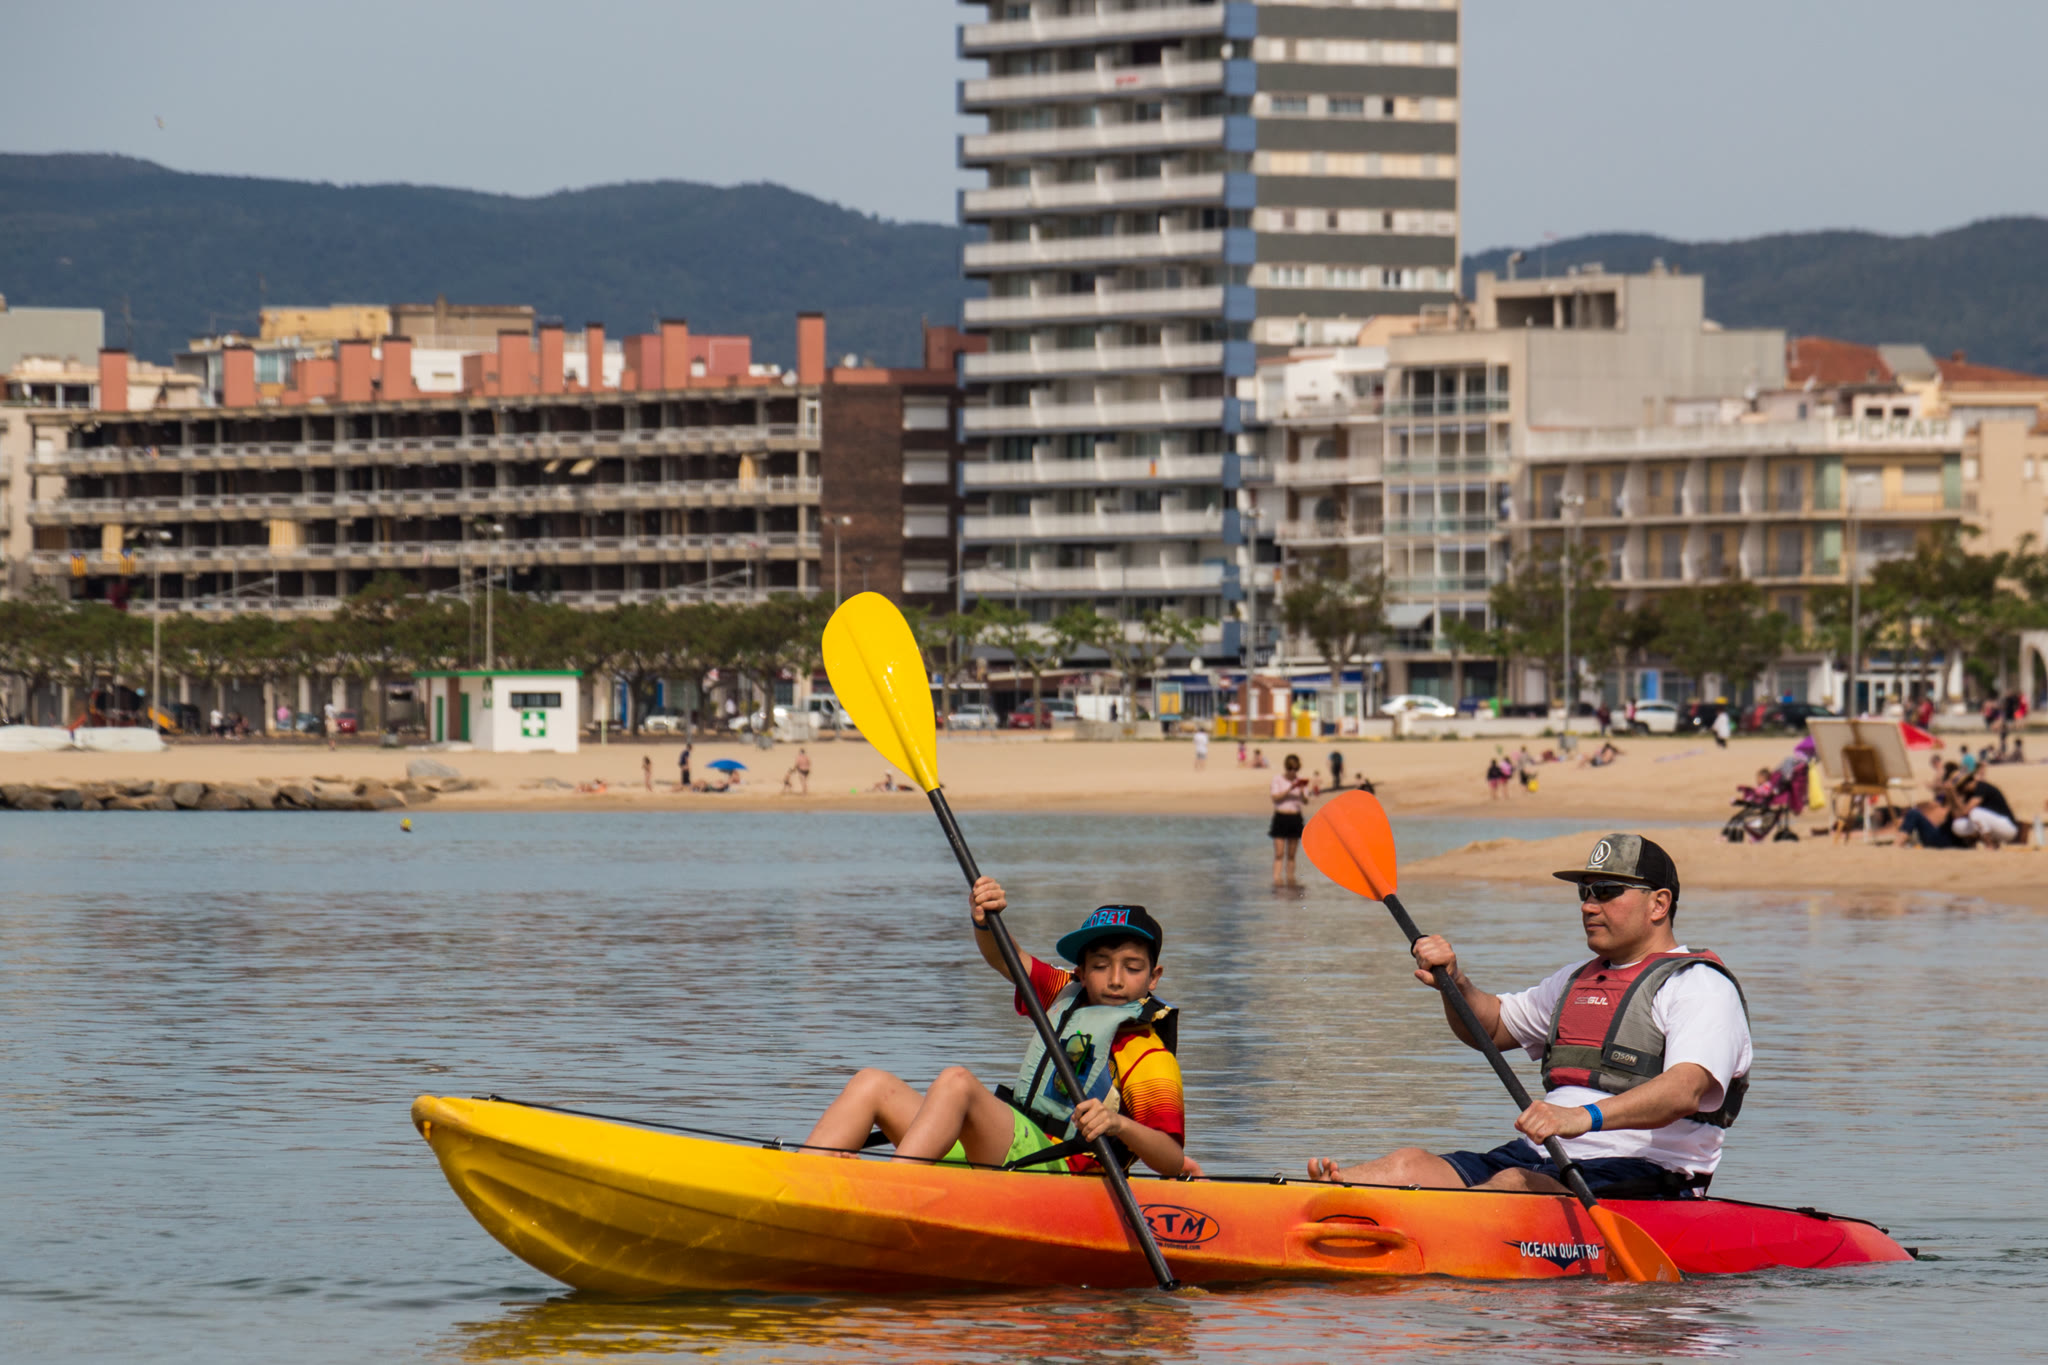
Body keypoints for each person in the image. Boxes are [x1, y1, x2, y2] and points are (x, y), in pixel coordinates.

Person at [1306, 834, 1750, 1201]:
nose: (1588, 906)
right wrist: (1455, 983)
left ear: (1659, 904)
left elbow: (1685, 1090)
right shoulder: (1574, 981)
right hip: (1538, 1160)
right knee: (1407, 1165)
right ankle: (1328, 1202)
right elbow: (1492, 1027)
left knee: (1511, 1186)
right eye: (1585, 893)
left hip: (1649, 1175)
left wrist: (1582, 1118)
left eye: (1606, 892)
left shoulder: (1700, 985)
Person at [805, 880, 1187, 1177]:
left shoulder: (1149, 1055)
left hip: (1061, 1173)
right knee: (872, 1083)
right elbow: (1007, 958)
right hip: (1013, 1148)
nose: (1116, 980)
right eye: (1101, 966)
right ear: (1082, 972)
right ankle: (802, 1178)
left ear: (1153, 977)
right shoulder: (1063, 992)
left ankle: (891, 1188)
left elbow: (1170, 1159)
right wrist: (985, 920)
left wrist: (1118, 1125)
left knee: (957, 1083)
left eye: (1132, 968)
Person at [1269, 753, 1317, 888]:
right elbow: (1275, 798)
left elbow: (1305, 801)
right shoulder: (1278, 779)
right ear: (1286, 768)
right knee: (1279, 853)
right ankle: (1277, 880)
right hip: (1281, 817)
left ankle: (1290, 879)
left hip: (1295, 817)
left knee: (1291, 854)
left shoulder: (1300, 781)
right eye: (1290, 769)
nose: (1292, 772)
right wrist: (1290, 789)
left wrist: (1301, 790)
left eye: (1295, 769)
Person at [1952, 770, 2019, 848]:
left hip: (2007, 827)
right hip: (1992, 828)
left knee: (1975, 813)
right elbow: (1958, 815)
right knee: (1957, 825)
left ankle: (1989, 845)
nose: (1960, 791)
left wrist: (1953, 795)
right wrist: (1953, 796)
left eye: (1960, 788)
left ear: (1966, 784)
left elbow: (1965, 811)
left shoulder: (1981, 787)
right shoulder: (1969, 794)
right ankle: (1976, 843)